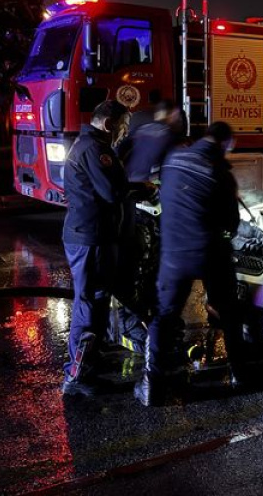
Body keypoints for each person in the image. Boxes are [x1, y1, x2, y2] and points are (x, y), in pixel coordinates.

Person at [135, 121, 248, 407]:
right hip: (210, 254)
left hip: (174, 255)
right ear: (225, 143)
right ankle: (240, 374)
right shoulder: (220, 172)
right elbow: (231, 223)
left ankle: (152, 387)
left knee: (164, 316)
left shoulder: (173, 158)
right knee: (229, 312)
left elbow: (165, 195)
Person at [60, 100, 131, 397]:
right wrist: (137, 188)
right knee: (91, 303)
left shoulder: (87, 144)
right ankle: (78, 375)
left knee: (92, 301)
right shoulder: (97, 150)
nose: (124, 134)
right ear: (108, 124)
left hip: (86, 234)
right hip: (92, 237)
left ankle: (87, 360)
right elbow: (112, 192)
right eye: (123, 126)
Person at [116, 99, 185, 183]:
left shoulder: (142, 128)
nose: (177, 117)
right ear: (169, 114)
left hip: (129, 175)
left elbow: (121, 146)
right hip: (147, 179)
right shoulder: (169, 135)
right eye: (176, 114)